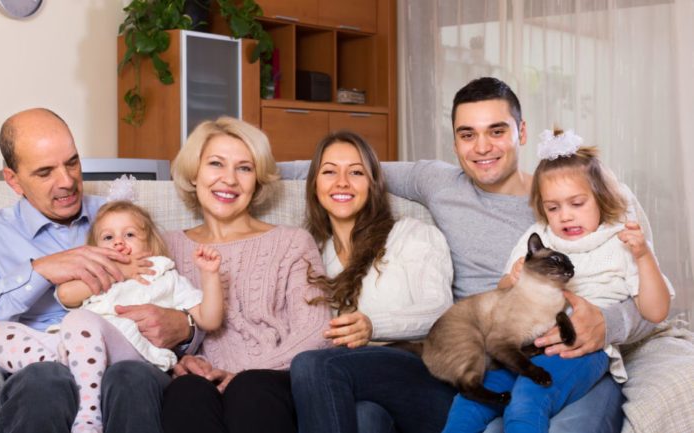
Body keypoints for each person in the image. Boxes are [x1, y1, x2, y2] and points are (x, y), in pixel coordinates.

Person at [282, 77, 657, 433]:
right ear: (455, 142)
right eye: (467, 135)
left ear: (521, 133)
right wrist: (246, 173)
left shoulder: (572, 200)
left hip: (570, 357)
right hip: (483, 357)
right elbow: (339, 170)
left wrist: (608, 323)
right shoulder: (438, 182)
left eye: (497, 131)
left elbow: (650, 301)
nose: (481, 148)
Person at [0, 108, 200, 433]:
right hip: (42, 364)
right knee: (44, 381)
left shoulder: (121, 220)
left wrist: (186, 328)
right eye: (45, 172)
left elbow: (171, 284)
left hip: (128, 357)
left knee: (130, 377)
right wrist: (38, 273)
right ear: (13, 180)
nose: (67, 181)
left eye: (72, 162)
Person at [442, 129, 672, 433]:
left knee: (529, 396)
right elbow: (503, 293)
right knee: (470, 399)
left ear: (600, 199)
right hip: (526, 343)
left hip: (582, 349)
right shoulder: (540, 237)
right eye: (553, 207)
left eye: (577, 203)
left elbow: (655, 311)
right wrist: (510, 281)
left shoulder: (619, 240)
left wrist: (643, 256)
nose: (565, 216)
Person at [0, 199, 225, 433]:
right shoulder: (97, 277)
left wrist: (210, 275)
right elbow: (66, 293)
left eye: (129, 235)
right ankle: (62, 363)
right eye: (108, 238)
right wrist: (117, 271)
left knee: (78, 320)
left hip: (132, 350)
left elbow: (209, 319)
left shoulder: (162, 274)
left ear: (150, 246)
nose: (118, 243)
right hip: (78, 345)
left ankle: (89, 415)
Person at [160, 116, 331, 433]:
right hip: (202, 382)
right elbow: (149, 323)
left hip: (271, 380)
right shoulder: (165, 246)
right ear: (194, 174)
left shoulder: (292, 242)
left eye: (244, 168)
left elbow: (317, 331)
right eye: (216, 164)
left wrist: (244, 372)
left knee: (250, 388)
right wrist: (176, 363)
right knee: (185, 391)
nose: (229, 179)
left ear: (258, 181)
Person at [291, 130, 455, 433]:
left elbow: (440, 311)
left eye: (356, 172)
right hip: (361, 392)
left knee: (314, 364)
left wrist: (373, 325)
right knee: (366, 418)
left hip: (422, 379)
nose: (342, 182)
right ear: (314, 185)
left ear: (373, 184)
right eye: (329, 172)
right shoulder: (311, 258)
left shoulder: (412, 235)